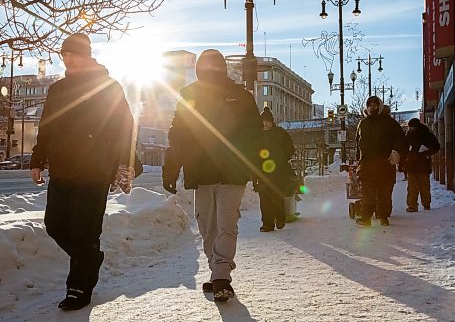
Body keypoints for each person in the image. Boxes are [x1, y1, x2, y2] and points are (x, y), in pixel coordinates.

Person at [30, 33, 138, 310]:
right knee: (54, 225)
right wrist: (37, 160)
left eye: (73, 54)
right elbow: (47, 128)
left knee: (85, 231)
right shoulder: (57, 89)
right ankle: (90, 258)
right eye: (64, 55)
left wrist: (125, 162)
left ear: (87, 55)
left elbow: (124, 126)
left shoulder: (109, 87)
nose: (68, 59)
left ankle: (78, 288)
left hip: (95, 171)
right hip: (63, 169)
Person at [162, 49, 262, 301]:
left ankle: (221, 276)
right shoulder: (189, 95)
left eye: (214, 66)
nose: (210, 71)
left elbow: (255, 135)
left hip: (232, 170)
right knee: (207, 226)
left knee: (226, 224)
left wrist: (259, 168)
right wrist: (171, 167)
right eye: (205, 66)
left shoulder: (241, 96)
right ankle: (217, 270)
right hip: (201, 170)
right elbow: (179, 134)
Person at [355, 96, 408, 227]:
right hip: (367, 164)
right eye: (370, 104)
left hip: (385, 164)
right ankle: (366, 218)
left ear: (380, 106)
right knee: (368, 193)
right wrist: (358, 159)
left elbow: (401, 139)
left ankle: (383, 216)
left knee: (384, 192)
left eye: (375, 104)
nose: (372, 107)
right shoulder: (363, 123)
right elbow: (358, 143)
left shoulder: (389, 122)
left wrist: (396, 152)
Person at [254, 107, 295, 232]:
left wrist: (282, 159)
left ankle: (280, 217)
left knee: (277, 195)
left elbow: (290, 149)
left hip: (278, 170)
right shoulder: (257, 136)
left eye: (268, 121)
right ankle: (267, 223)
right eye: (263, 121)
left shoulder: (280, 133)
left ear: (272, 122)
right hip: (262, 171)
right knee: (264, 199)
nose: (265, 124)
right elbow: (253, 154)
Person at [403, 118, 440, 212]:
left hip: (421, 163)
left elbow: (436, 146)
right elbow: (404, 149)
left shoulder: (427, 135)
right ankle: (415, 205)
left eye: (412, 127)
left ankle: (422, 204)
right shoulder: (409, 136)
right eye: (410, 127)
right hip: (413, 163)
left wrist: (426, 153)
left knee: (421, 185)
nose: (411, 129)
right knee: (414, 186)